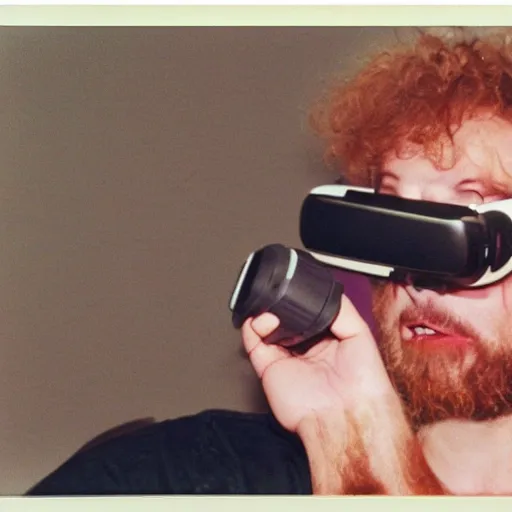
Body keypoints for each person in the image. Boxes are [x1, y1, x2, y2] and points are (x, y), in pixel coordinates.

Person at [27, 28, 512, 496]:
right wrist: (345, 454)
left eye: (461, 236)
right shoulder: (196, 472)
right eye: (394, 225)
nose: (416, 282)